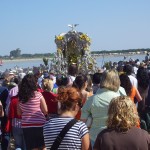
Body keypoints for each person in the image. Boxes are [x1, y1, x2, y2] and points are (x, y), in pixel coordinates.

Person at [81, 69, 126, 146]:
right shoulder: (121, 99)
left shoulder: (92, 99)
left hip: (95, 138)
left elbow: (82, 122)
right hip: (116, 138)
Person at [18, 74, 48, 150]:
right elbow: (45, 111)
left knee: (32, 147)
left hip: (27, 125)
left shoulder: (21, 97)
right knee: (43, 146)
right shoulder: (38, 95)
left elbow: (19, 113)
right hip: (40, 124)